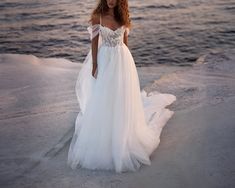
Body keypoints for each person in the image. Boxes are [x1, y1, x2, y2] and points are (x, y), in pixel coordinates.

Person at [67, 0, 176, 173]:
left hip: (122, 60)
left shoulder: (123, 16)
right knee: (105, 97)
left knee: (121, 97)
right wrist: (95, 64)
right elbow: (94, 42)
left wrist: (128, 65)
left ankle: (123, 136)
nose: (111, 1)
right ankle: (106, 136)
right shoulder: (98, 16)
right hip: (105, 59)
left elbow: (125, 41)